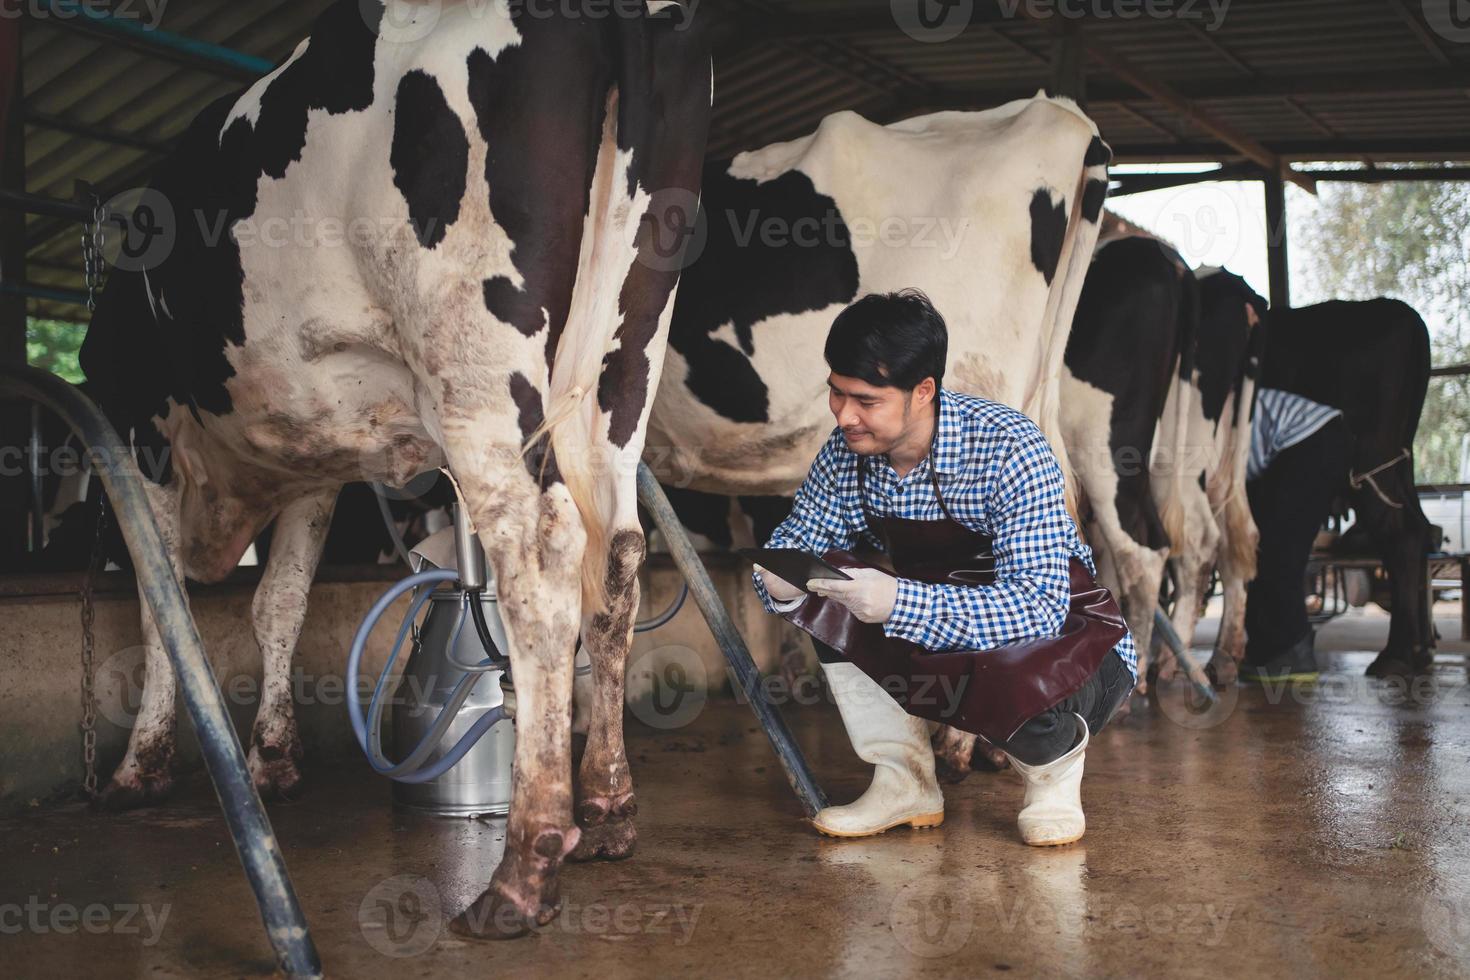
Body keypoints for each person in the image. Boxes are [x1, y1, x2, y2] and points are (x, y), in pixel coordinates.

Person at [750, 289, 1136, 846]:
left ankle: (1053, 771)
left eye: (865, 399)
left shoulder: (1008, 445)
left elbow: (1040, 609)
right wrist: (783, 581)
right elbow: (800, 539)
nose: (844, 415)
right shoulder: (847, 452)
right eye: (836, 393)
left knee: (1010, 649)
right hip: (949, 626)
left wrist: (898, 602)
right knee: (825, 583)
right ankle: (903, 779)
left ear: (924, 391)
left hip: (1073, 651)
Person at [1240, 387, 1354, 683]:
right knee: (1268, 549)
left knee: (1277, 551)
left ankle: (1291, 654)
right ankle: (1268, 651)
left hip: (1308, 439)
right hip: (1309, 439)